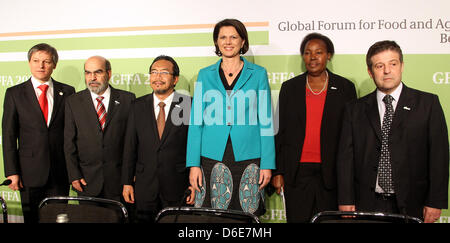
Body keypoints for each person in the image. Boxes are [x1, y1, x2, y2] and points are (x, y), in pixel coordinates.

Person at [337, 40, 449, 223]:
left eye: (393, 64)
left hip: (413, 203)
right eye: (379, 66)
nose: (387, 71)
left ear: (402, 66)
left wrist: (435, 201)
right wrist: (345, 198)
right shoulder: (354, 109)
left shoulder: (428, 104)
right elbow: (345, 158)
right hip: (366, 203)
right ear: (370, 72)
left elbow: (439, 157)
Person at [187, 19, 275, 215]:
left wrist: (267, 164)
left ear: (243, 41)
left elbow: (266, 121)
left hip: (249, 157)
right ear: (216, 42)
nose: (228, 41)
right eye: (223, 37)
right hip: (211, 157)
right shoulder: (204, 75)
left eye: (233, 37)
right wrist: (193, 164)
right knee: (212, 216)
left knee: (247, 216)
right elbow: (196, 123)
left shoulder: (258, 74)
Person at [271, 33, 357, 223]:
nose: (313, 57)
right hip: (297, 174)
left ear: (329, 55)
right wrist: (278, 171)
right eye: (308, 53)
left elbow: (352, 137)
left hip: (332, 175)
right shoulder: (290, 88)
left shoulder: (345, 88)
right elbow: (279, 132)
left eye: (319, 52)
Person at [2, 43, 75, 223]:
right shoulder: (14, 93)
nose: (40, 66)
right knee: (32, 218)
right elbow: (9, 135)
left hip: (60, 172)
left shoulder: (68, 92)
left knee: (60, 218)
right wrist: (12, 172)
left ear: (54, 65)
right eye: (36, 61)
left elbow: (71, 133)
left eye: (46, 61)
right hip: (29, 172)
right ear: (29, 63)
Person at [122, 55, 194, 223]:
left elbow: (194, 146)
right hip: (144, 187)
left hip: (178, 186)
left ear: (175, 79)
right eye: (154, 72)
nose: (157, 77)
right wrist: (126, 182)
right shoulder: (137, 106)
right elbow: (130, 146)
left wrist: (194, 184)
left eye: (163, 72)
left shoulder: (188, 105)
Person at [64, 56, 135, 203]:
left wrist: (129, 177)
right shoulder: (73, 101)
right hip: (86, 181)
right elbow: (69, 142)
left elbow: (132, 142)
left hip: (119, 182)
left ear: (108, 74)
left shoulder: (128, 99)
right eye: (88, 73)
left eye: (98, 72)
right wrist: (74, 175)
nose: (92, 78)